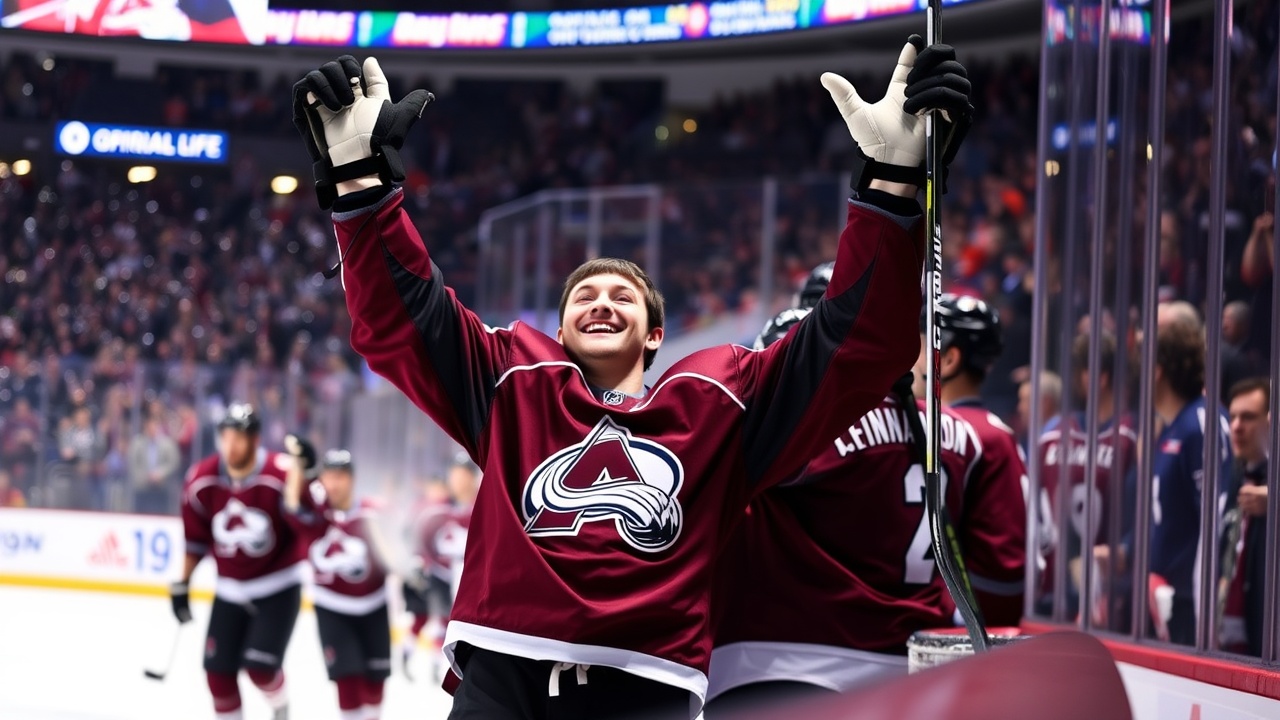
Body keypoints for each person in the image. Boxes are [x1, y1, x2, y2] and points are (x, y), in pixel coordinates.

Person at [292, 35, 971, 719]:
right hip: (500, 676)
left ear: (654, 336)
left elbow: (855, 347)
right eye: (583, 296)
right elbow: (401, 318)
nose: (601, 301)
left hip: (645, 686)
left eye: (624, 296)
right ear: (560, 332)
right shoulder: (510, 379)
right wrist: (358, 178)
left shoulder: (720, 402)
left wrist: (892, 184)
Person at [706, 305, 1025, 716]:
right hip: (913, 666)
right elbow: (1001, 579)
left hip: (777, 661)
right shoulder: (969, 433)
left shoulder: (803, 419)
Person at [1098, 307, 1231, 645]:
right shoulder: (1171, 428)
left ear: (1157, 372)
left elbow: (1216, 520)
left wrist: (1204, 601)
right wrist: (1128, 553)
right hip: (1162, 598)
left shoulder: (1200, 425)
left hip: (1188, 605)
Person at [172, 403, 302, 720]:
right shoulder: (201, 480)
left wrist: (303, 479)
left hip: (277, 588)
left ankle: (280, 704)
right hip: (230, 590)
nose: (231, 446)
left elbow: (306, 523)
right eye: (226, 437)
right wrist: (183, 584)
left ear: (256, 440)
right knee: (218, 677)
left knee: (260, 669)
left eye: (239, 438)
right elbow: (195, 539)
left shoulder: (281, 474)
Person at [917, 293, 1030, 623]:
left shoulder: (938, 429)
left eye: (919, 347)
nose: (911, 359)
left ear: (949, 360)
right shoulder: (1000, 434)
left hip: (951, 625)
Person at [284, 442, 393, 720]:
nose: (333, 483)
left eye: (340, 476)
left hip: (373, 606)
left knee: (375, 686)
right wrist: (299, 465)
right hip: (332, 608)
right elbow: (291, 504)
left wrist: (411, 574)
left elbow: (393, 553)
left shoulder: (372, 513)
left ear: (352, 479)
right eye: (328, 476)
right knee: (347, 681)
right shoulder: (315, 516)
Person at [1034, 333, 1137, 627]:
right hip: (1087, 594)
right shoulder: (1133, 436)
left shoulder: (1051, 436)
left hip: (1062, 591)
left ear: (1094, 377)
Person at [403, 454, 480, 681]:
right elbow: (417, 536)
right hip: (438, 574)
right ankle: (418, 658)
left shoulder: (483, 506)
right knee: (432, 617)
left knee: (448, 620)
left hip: (469, 577)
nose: (457, 480)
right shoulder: (436, 509)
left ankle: (438, 664)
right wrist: (418, 560)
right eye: (454, 475)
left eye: (462, 475)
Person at [1219, 377, 1270, 656]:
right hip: (1233, 639)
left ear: (1272, 422)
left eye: (1248, 417)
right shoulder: (1231, 476)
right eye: (1233, 417)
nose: (1237, 426)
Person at [129, 415, 182, 515]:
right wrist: (145, 477)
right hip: (142, 489)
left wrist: (160, 474)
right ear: (145, 427)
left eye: (154, 425)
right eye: (149, 426)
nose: (152, 429)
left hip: (161, 488)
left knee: (160, 514)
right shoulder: (137, 443)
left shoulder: (168, 443)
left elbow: (174, 463)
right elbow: (133, 464)